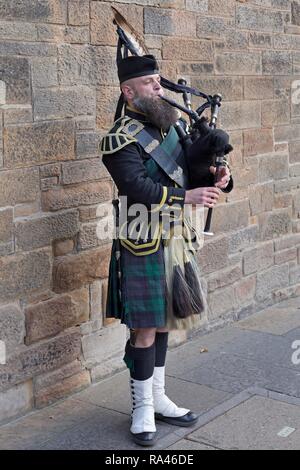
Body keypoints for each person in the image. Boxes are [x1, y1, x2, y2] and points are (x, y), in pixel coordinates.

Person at [100, 54, 233, 447]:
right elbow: (136, 187)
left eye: (159, 80)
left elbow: (196, 170)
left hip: (177, 238)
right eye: (151, 82)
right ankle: (142, 408)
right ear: (129, 91)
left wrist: (220, 178)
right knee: (144, 329)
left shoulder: (174, 128)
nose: (160, 87)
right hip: (141, 239)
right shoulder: (118, 138)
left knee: (163, 324)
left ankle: (158, 398)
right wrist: (187, 194)